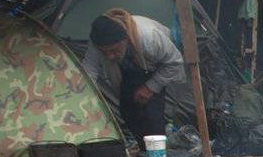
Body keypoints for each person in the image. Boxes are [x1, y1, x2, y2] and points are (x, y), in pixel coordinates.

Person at [82, 10, 193, 142]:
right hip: (127, 70)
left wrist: (150, 88)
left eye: (113, 50)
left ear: (125, 39)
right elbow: (89, 71)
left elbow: (174, 62)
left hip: (158, 68)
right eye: (104, 52)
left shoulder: (149, 36)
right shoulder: (97, 43)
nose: (109, 56)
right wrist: (84, 100)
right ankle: (144, 150)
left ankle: (159, 154)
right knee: (127, 110)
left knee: (152, 116)